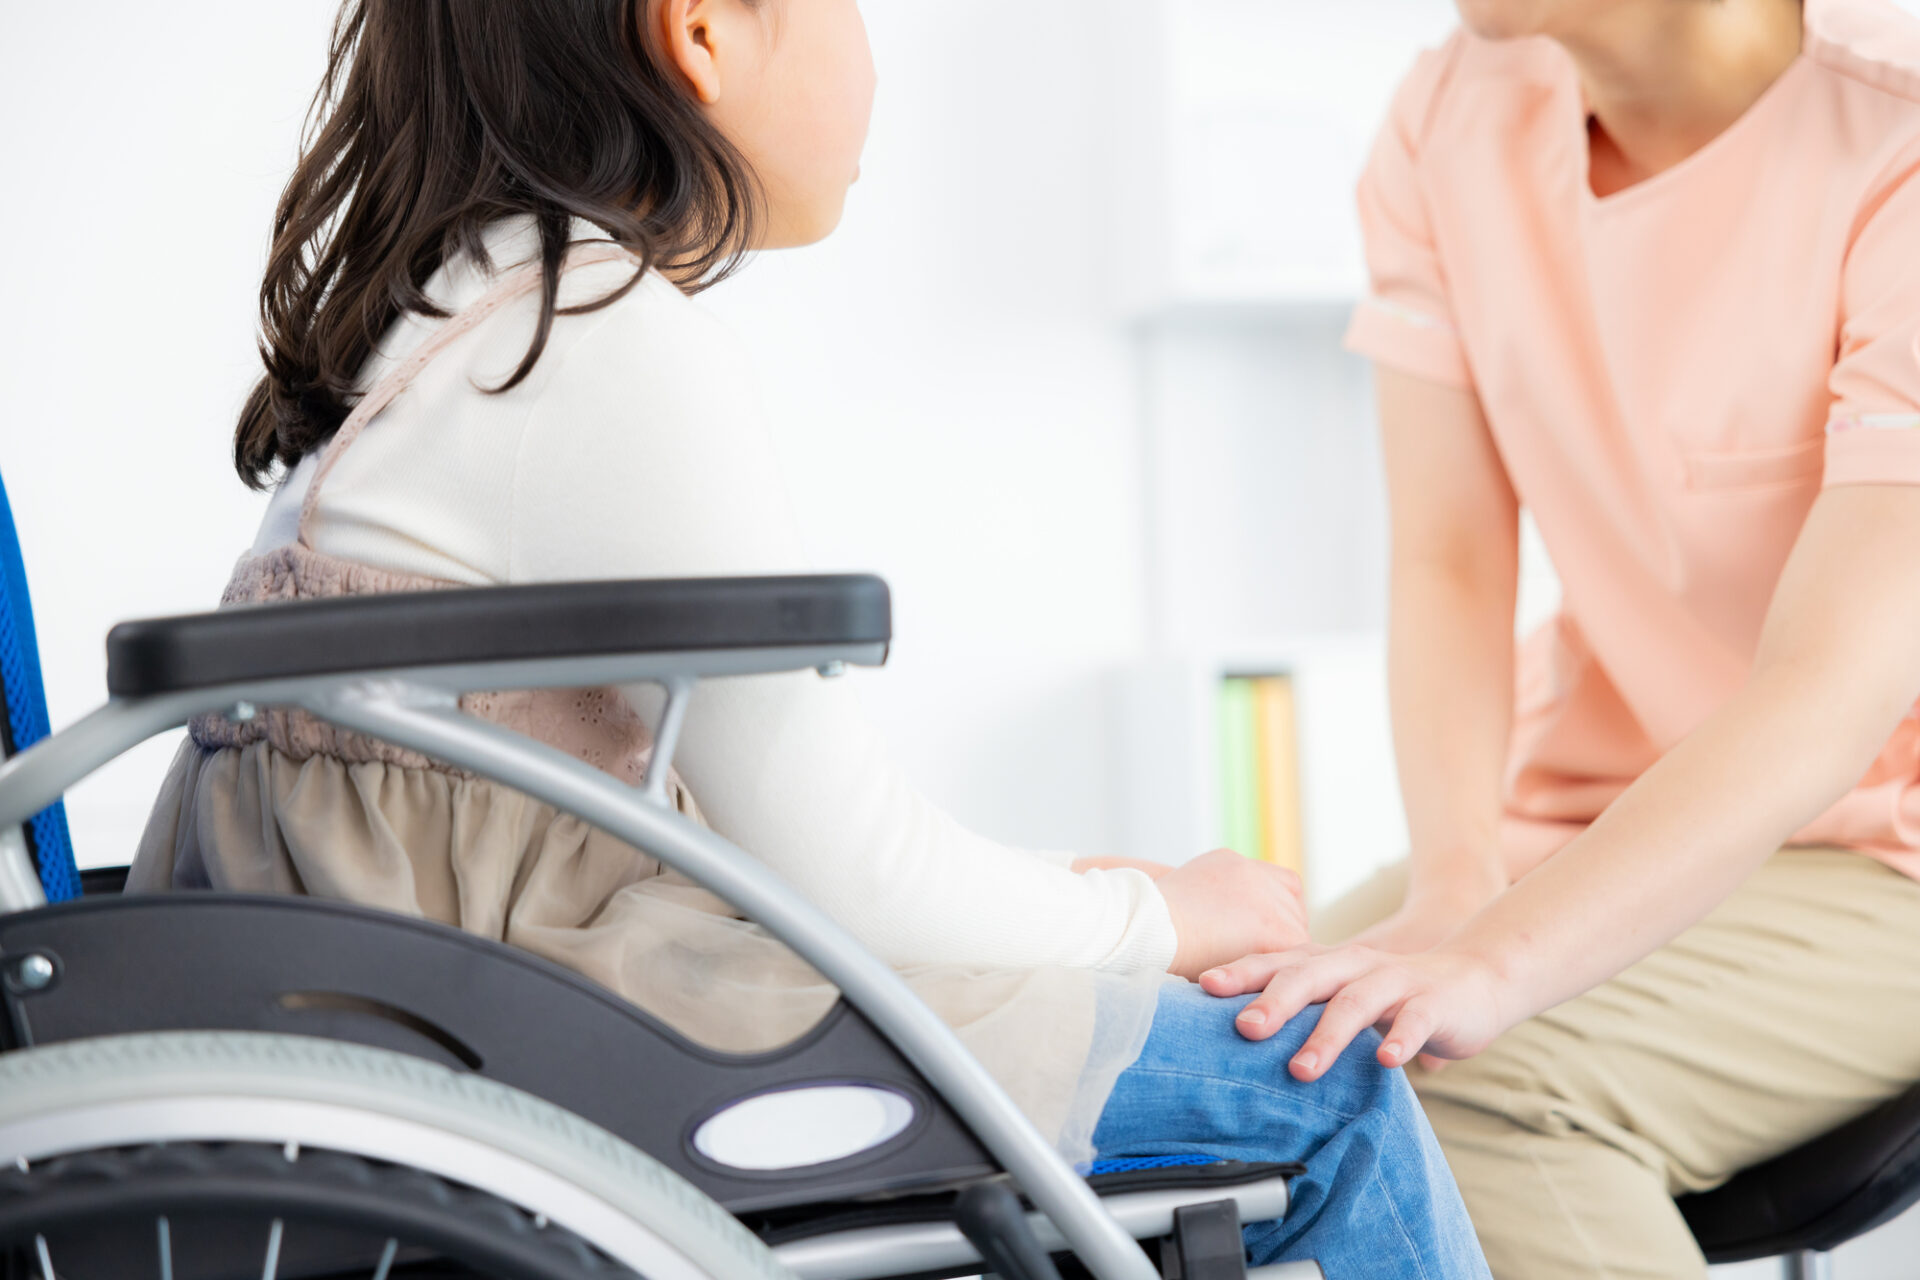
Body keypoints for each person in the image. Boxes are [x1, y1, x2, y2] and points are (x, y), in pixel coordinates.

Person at [125, 1, 1489, 1272]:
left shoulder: (466, 308)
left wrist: (1089, 891)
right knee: (1336, 1087)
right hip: (538, 1041)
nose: (877, 57)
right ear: (704, 31)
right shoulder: (592, 330)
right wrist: (1161, 915)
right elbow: (851, 878)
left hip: (410, 1013)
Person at [1197, 0, 1920, 1274]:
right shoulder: (1447, 118)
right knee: (1209, 1045)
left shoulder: (1895, 130)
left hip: (1891, 852)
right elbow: (1449, 558)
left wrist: (1496, 965)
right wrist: (1457, 882)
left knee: (1468, 1075)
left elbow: (1831, 690)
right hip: (1607, 803)